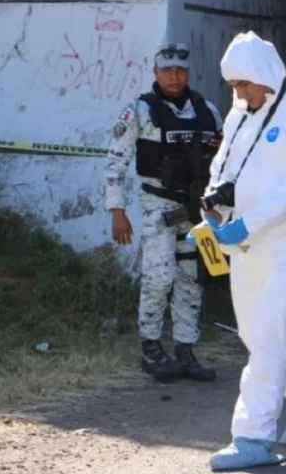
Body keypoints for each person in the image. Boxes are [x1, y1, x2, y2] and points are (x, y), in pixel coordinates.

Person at [197, 32, 286, 471]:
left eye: (244, 84)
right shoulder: (241, 112)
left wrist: (249, 221)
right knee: (258, 331)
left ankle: (252, 436)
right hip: (244, 237)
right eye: (233, 87)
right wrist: (214, 206)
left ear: (267, 76)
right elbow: (222, 165)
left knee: (271, 332)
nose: (238, 94)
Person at [105, 41, 222, 383]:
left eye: (181, 70)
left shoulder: (207, 110)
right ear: (156, 73)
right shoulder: (139, 111)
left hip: (196, 208)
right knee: (158, 277)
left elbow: (222, 161)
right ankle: (152, 348)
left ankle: (185, 349)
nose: (174, 76)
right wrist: (117, 209)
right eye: (167, 70)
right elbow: (115, 163)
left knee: (192, 278)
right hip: (157, 204)